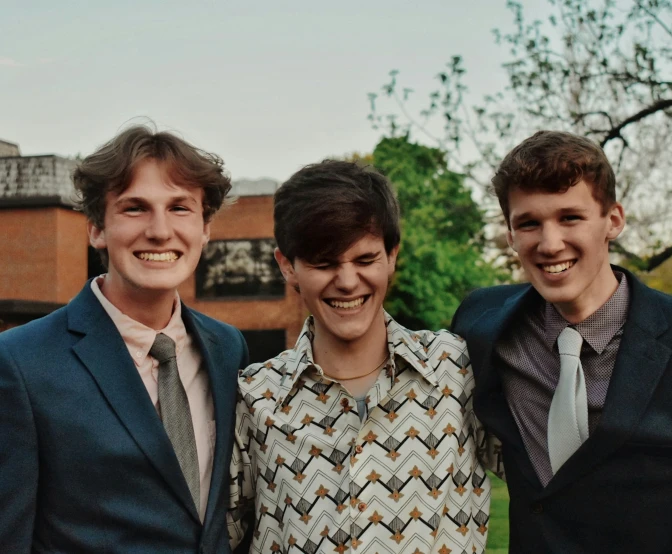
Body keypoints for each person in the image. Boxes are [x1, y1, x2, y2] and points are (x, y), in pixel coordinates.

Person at [452, 130, 672, 553]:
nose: (550, 244)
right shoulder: (480, 322)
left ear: (614, 220)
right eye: (529, 223)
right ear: (511, 236)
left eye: (570, 218)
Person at [0, 125, 249, 553]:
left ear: (205, 228)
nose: (159, 230)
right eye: (135, 208)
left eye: (180, 208)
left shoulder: (228, 348)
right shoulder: (20, 363)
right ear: (96, 228)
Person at [227, 160, 495, 554]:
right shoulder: (254, 396)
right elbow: (223, 535)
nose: (348, 281)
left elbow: (552, 483)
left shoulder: (456, 367)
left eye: (365, 260)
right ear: (288, 266)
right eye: (324, 263)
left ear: (392, 256)